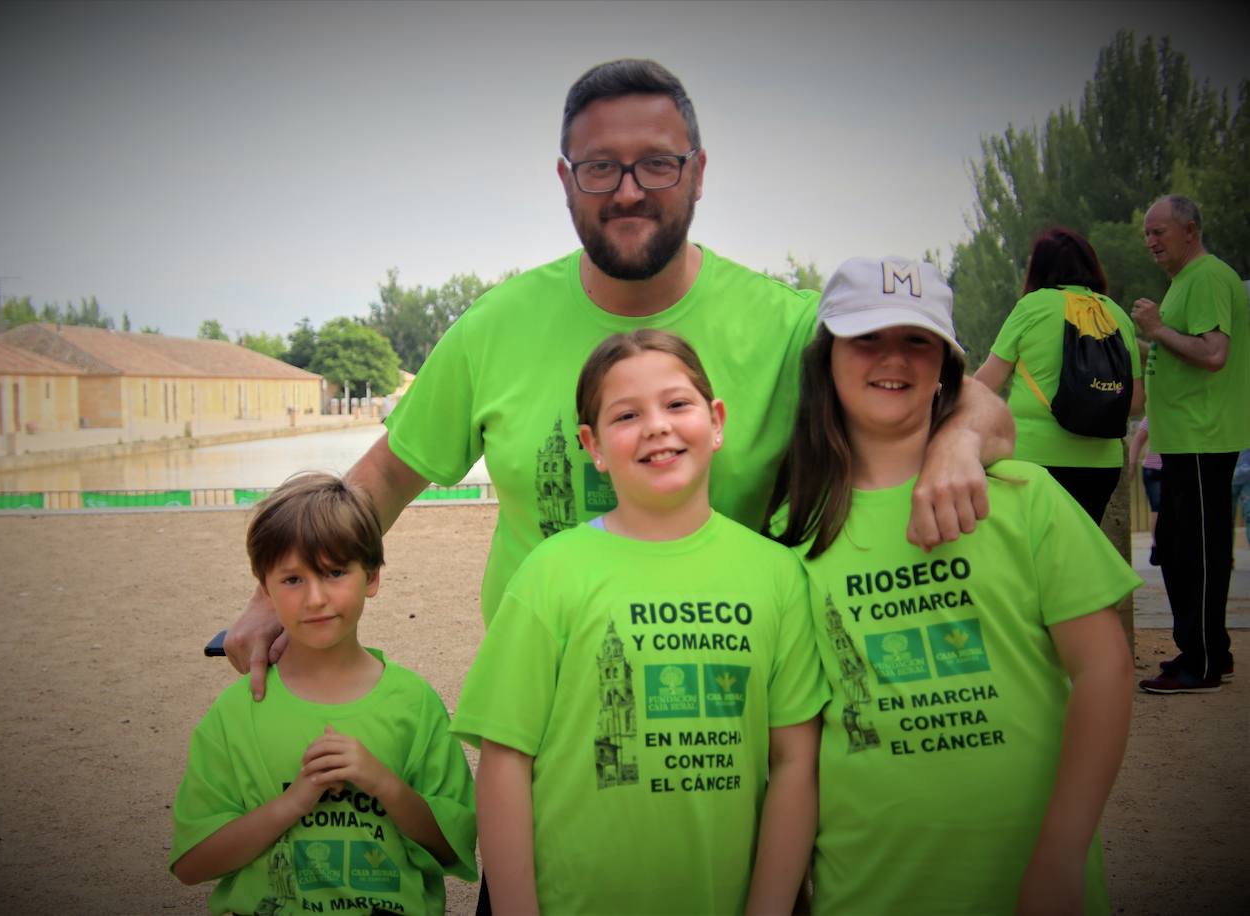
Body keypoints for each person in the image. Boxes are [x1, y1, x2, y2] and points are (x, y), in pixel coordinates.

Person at [224, 58, 1014, 695]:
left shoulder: (789, 327)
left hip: (728, 713)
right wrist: (275, 595)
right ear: (565, 179)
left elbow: (957, 394)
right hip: (548, 703)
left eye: (657, 165)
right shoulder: (492, 326)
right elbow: (390, 473)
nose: (629, 190)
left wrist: (957, 440)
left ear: (699, 172)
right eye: (601, 168)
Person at [775, 257, 1138, 915]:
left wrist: (1061, 852)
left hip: (1036, 885)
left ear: (947, 364)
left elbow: (1106, 671)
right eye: (867, 338)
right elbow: (795, 751)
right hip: (866, 889)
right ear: (827, 357)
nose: (894, 358)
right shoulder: (792, 535)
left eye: (918, 339)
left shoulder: (1027, 499)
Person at [451, 330, 827, 914]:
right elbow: (504, 764)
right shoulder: (550, 574)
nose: (657, 426)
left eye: (677, 404)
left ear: (717, 420)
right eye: (626, 414)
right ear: (593, 445)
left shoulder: (778, 576)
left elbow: (794, 763)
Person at [171, 474, 477, 915]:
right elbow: (193, 863)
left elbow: (454, 849)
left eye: (334, 573)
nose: (315, 598)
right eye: (293, 579)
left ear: (371, 577)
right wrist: (293, 802)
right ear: (266, 590)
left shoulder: (414, 704)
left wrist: (384, 784)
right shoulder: (235, 714)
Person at [1131, 195, 1250, 694]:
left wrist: (1157, 328)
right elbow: (1186, 348)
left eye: (1160, 231)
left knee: (1196, 550)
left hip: (1203, 437)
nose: (1151, 241)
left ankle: (1200, 663)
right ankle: (1207, 652)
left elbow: (1214, 353)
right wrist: (1144, 339)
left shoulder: (1205, 277)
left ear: (1190, 230)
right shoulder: (1186, 282)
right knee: (1180, 549)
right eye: (1147, 235)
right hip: (1183, 440)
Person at [975, 226, 1143, 523]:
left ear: (1037, 268)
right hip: (1102, 466)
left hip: (1036, 459)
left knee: (1036, 560)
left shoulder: (1032, 307)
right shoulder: (1116, 315)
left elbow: (984, 386)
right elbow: (1136, 402)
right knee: (1077, 558)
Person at [1127, 416, 1162, 564]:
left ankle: (1157, 546)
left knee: (1157, 509)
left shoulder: (1153, 415)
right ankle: (1158, 545)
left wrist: (1132, 464)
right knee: (1159, 509)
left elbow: (1137, 440)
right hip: (1161, 468)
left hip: (1152, 467)